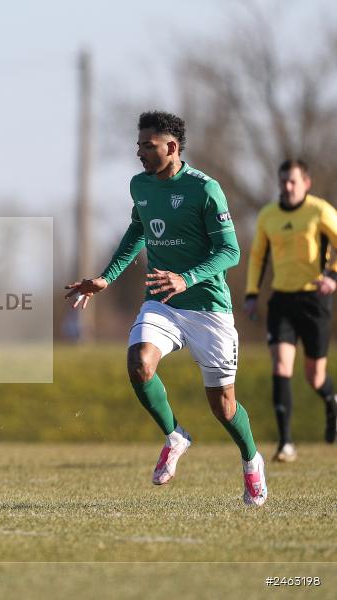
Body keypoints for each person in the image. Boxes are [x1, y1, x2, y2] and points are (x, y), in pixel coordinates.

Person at [65, 111, 268, 506]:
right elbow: (137, 230)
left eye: (147, 145)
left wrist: (187, 278)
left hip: (208, 307)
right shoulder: (139, 185)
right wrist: (107, 276)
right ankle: (175, 435)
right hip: (162, 303)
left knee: (223, 407)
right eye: (139, 144)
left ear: (171, 148)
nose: (139, 152)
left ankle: (251, 461)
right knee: (139, 363)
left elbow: (231, 250)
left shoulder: (206, 190)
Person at [244, 159, 337, 462]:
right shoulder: (268, 215)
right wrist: (252, 293)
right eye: (283, 181)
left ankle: (332, 401)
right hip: (282, 300)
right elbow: (258, 256)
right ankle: (286, 443)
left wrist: (332, 276)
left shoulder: (320, 211)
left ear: (306, 183)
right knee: (281, 367)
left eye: (293, 181)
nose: (287, 186)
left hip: (314, 300)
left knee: (314, 376)